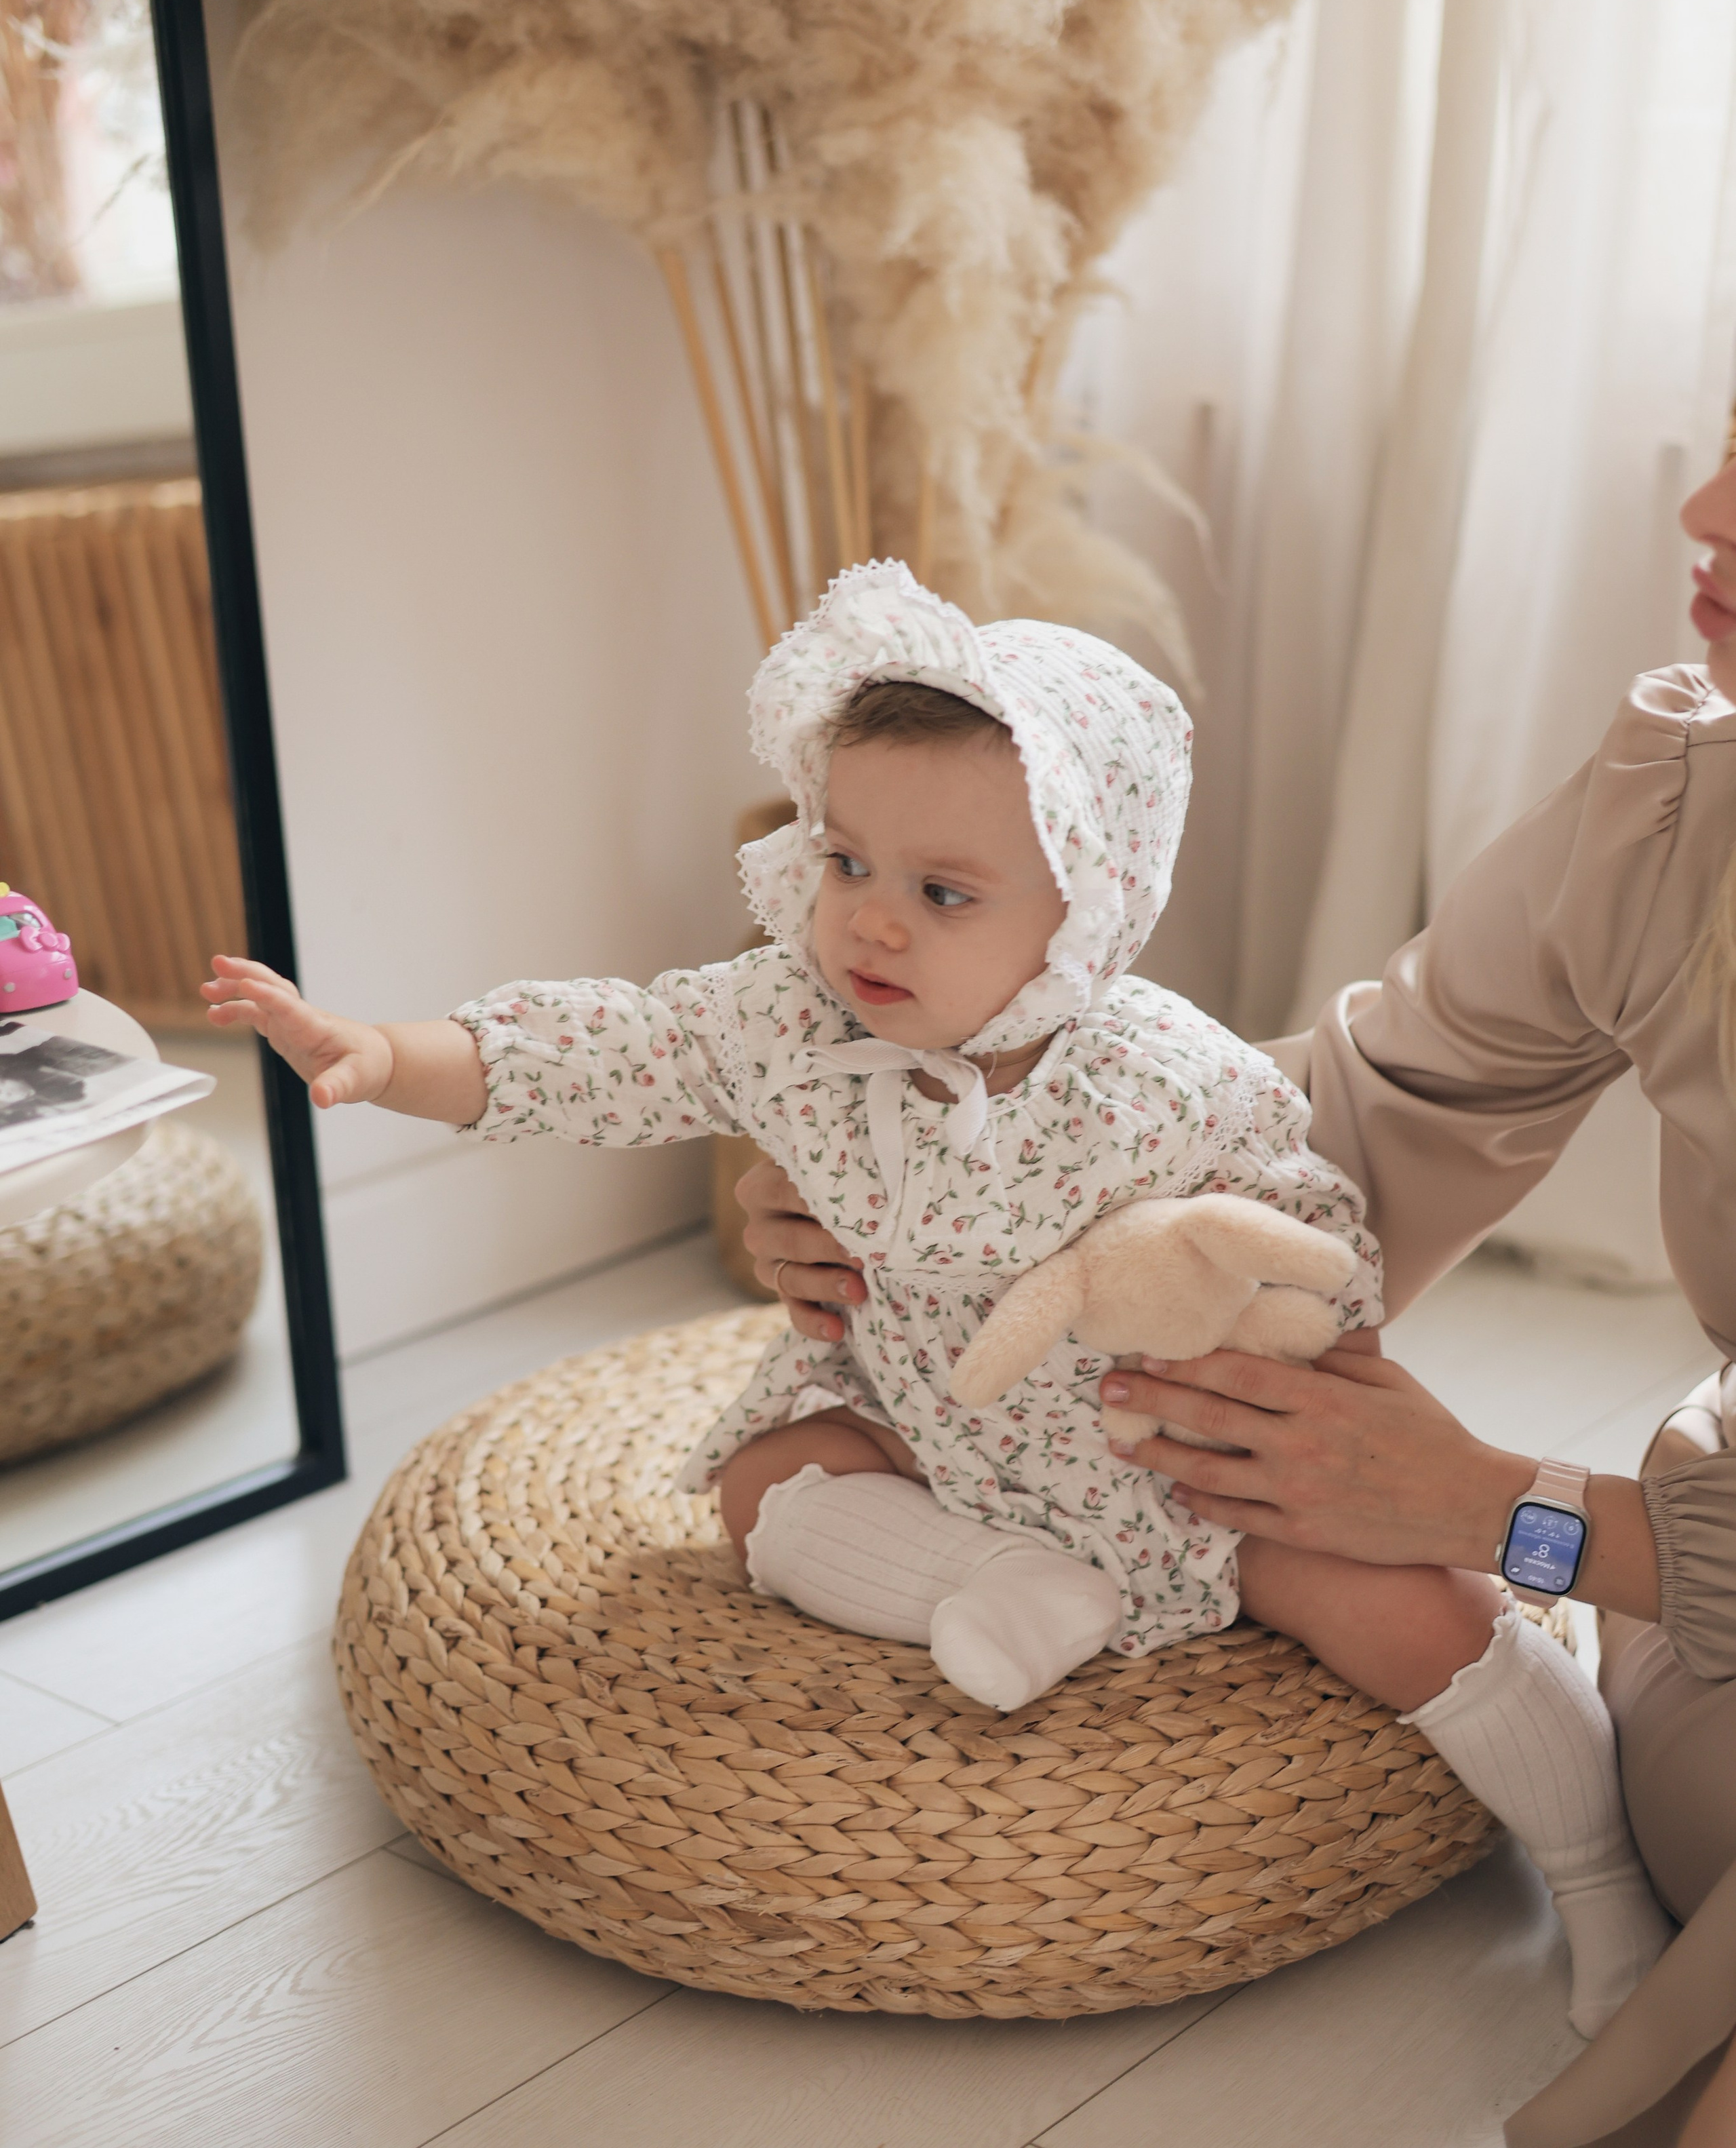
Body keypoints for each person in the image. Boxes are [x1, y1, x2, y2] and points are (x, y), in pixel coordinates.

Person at [209, 560, 1661, 2038]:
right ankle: (997, 1588)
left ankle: (1597, 1878)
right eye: (845, 864)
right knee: (765, 1481)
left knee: (1425, 1617)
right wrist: (386, 1057)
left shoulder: (1171, 1080)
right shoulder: (789, 1019)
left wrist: (1211, 1285)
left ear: (1082, 909)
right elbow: (604, 1049)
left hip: (1160, 1451)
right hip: (911, 1413)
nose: (871, 928)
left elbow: (1310, 1256)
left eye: (941, 893)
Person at [739, 458, 1736, 2148]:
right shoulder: (1690, 804)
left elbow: (1497, 1534)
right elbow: (1375, 1110)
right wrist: (937, 1163)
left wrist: (1504, 1515)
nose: (1707, 502)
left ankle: (1602, 1890)